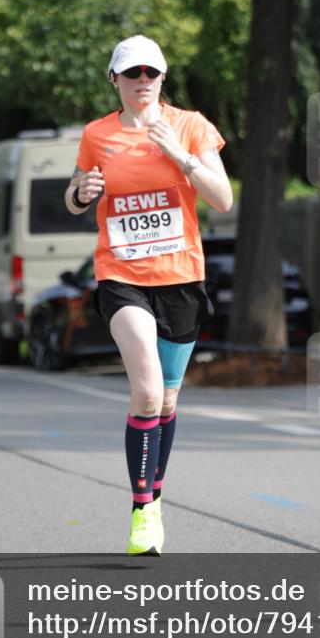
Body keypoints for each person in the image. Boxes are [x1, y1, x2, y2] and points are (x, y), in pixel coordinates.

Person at [65, 34, 233, 555]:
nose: (142, 82)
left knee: (167, 398)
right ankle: (142, 511)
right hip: (122, 277)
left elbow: (223, 199)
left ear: (163, 80)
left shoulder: (191, 126)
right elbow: (75, 196)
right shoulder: (97, 135)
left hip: (181, 279)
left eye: (151, 74)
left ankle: (155, 497)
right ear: (114, 79)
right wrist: (80, 193)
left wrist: (179, 155)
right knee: (145, 389)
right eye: (132, 73)